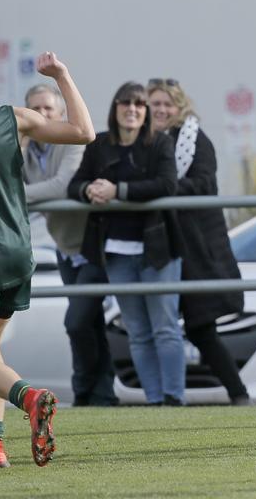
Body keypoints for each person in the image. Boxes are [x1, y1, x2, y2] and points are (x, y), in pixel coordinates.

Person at [0, 46, 94, 469]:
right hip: (18, 251)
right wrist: (62, 75)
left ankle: (31, 397)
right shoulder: (13, 117)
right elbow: (83, 132)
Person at [68, 81, 186, 406]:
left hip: (158, 251)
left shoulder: (160, 143)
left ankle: (175, 400)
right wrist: (88, 191)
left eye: (139, 104)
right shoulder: (100, 144)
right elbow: (74, 184)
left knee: (165, 328)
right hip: (116, 253)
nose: (132, 109)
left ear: (145, 112)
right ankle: (154, 401)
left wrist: (117, 191)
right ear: (115, 108)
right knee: (137, 331)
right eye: (125, 103)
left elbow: (167, 185)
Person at [147, 78, 250, 405]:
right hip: (162, 245)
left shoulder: (193, 139)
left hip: (199, 247)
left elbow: (204, 183)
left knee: (199, 326)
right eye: (155, 104)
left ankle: (236, 394)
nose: (161, 110)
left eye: (167, 104)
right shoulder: (145, 140)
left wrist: (162, 188)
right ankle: (166, 396)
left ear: (179, 107)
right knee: (156, 324)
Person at [22, 83, 118, 408]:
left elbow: (62, 186)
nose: (42, 115)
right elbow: (9, 177)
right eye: (34, 109)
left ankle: (85, 391)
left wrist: (14, 197)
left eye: (48, 108)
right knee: (89, 323)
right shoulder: (28, 148)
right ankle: (100, 396)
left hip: (91, 246)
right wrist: (21, 140)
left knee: (77, 322)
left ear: (61, 114)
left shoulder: (74, 141)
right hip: (64, 247)